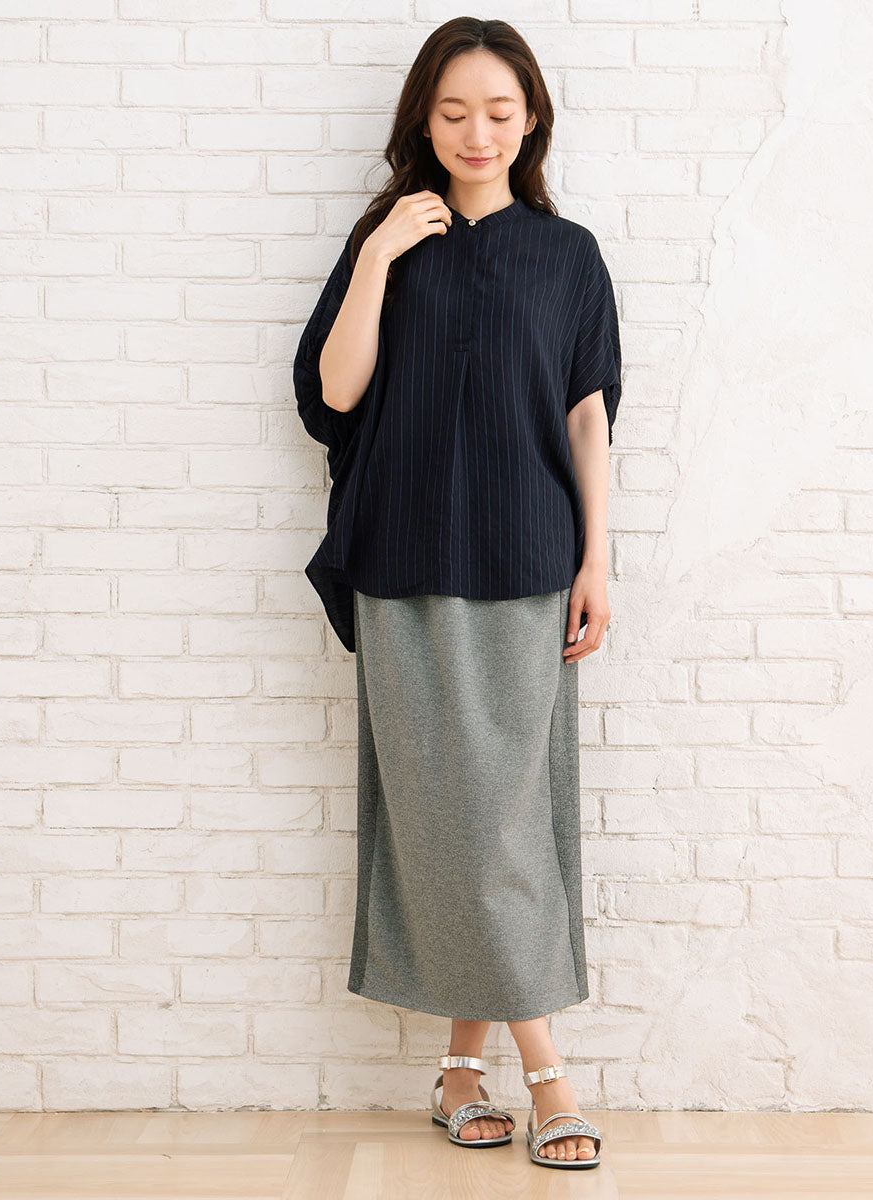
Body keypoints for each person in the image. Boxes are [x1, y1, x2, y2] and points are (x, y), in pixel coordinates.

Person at [292, 17, 621, 1171]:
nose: (476, 132)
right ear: (421, 123)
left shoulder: (568, 255)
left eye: (498, 110)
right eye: (452, 111)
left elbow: (587, 415)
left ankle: (466, 1071)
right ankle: (542, 1074)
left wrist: (597, 560)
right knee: (456, 824)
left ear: (530, 120)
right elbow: (334, 396)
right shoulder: (384, 240)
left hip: (529, 564)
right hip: (404, 560)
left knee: (498, 823)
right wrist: (380, 254)